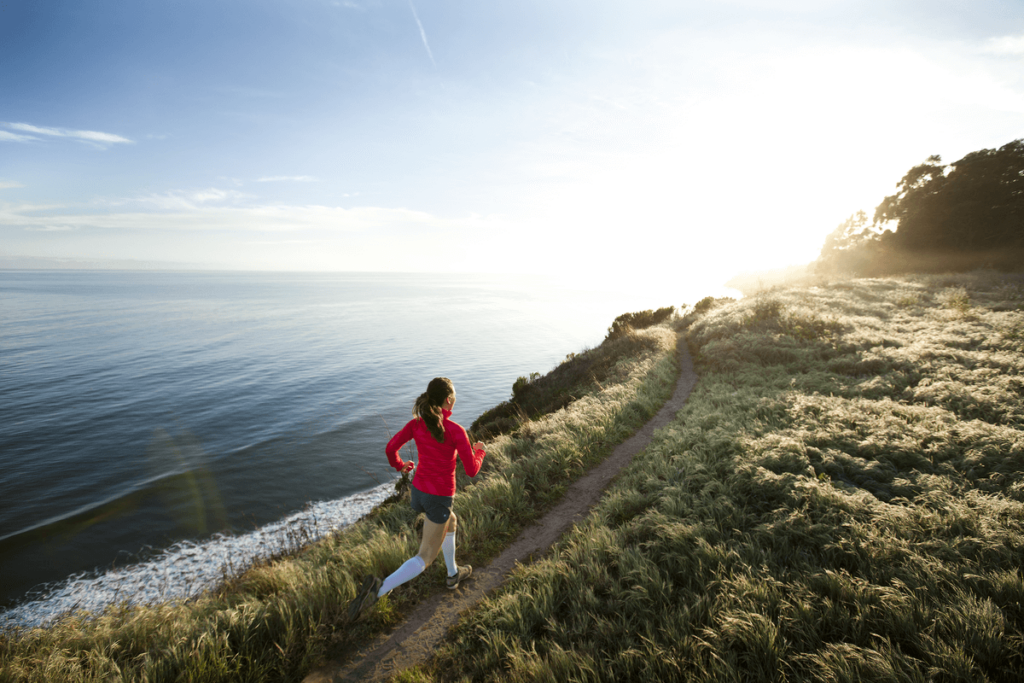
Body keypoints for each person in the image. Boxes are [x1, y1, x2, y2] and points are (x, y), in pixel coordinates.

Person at [348, 377, 486, 621]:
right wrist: (480, 451)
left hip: (418, 493)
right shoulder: (455, 431)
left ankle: (453, 574)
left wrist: (401, 466)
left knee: (450, 522)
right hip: (438, 498)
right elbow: (473, 470)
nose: (455, 398)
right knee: (425, 557)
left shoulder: (416, 425)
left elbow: (390, 449)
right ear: (448, 400)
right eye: (454, 395)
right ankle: (377, 590)